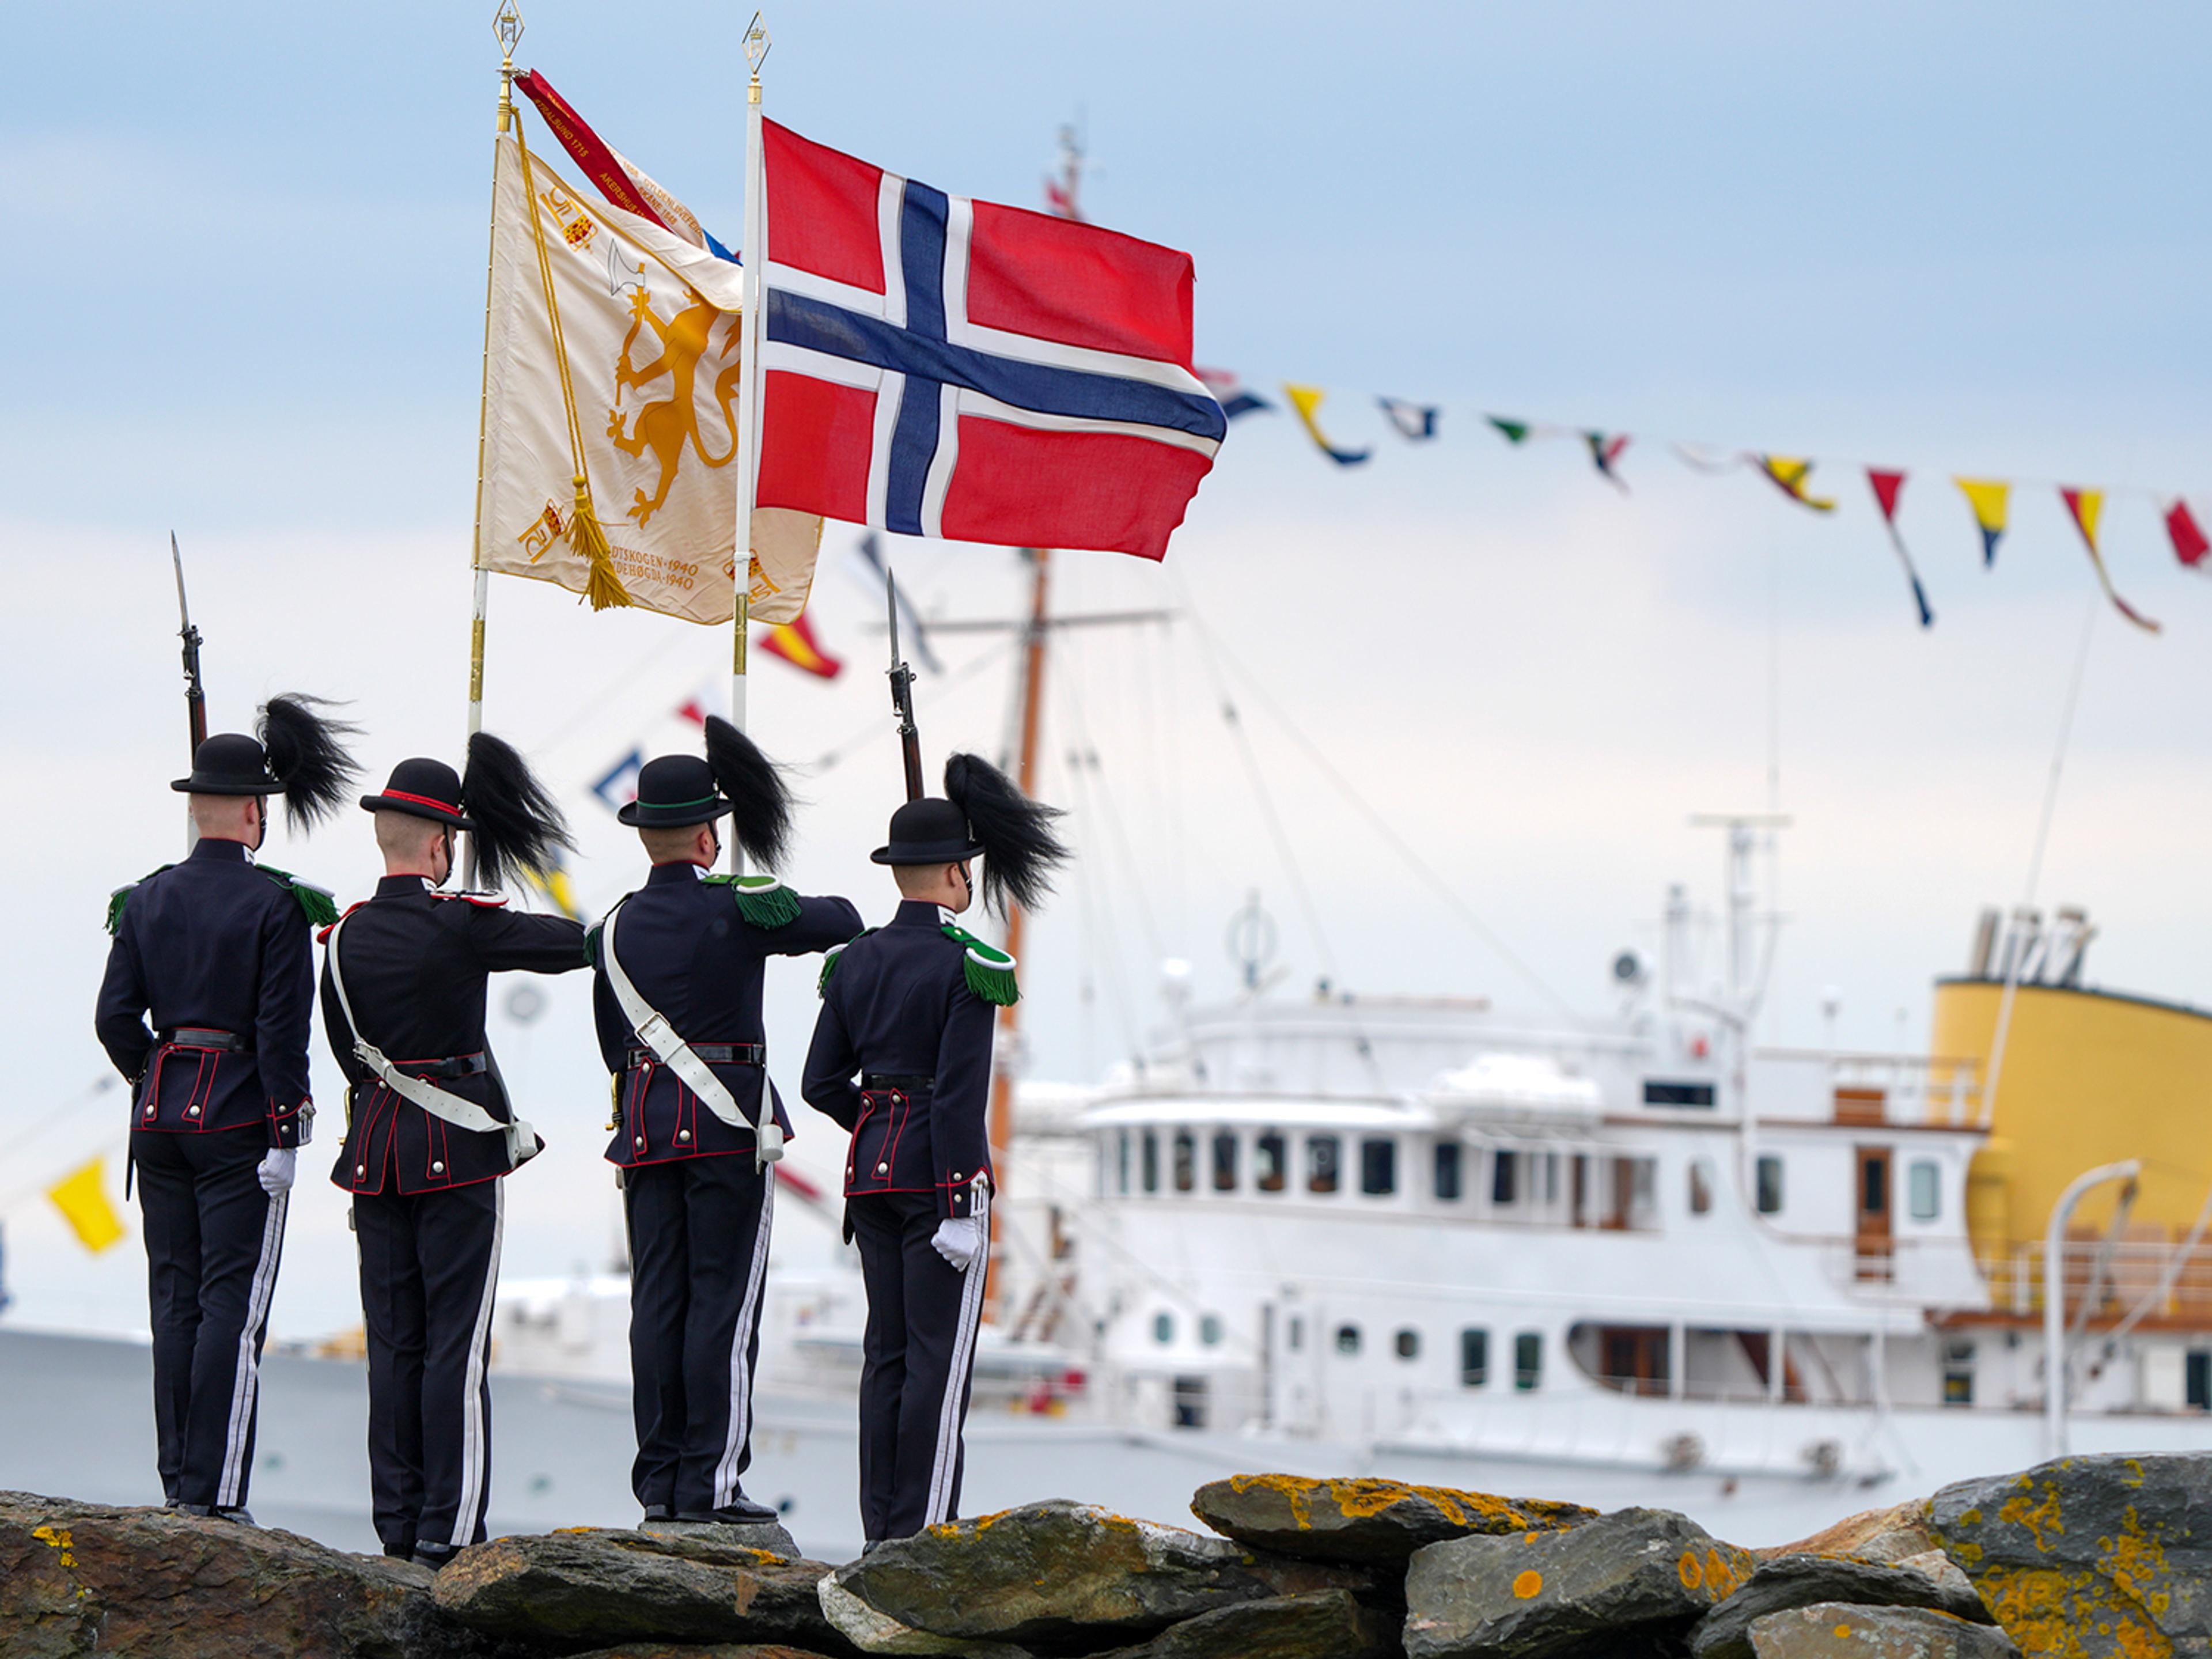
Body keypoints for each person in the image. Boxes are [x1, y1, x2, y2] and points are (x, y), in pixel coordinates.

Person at [319, 734, 586, 1567]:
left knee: (393, 1343)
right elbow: (576, 945)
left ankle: (397, 1526)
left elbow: (346, 1053)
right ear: (440, 845)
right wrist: (482, 912)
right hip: (456, 1151)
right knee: (454, 1345)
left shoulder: (343, 937)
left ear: (383, 836)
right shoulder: (462, 924)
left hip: (375, 1156)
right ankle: (452, 1524)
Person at [94, 696, 361, 1522]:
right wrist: (286, 1132)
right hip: (241, 1121)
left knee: (172, 1301)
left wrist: (158, 1076)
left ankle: (177, 1479)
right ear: (253, 813)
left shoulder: (144, 899)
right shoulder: (276, 906)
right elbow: (283, 1035)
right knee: (231, 1311)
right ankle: (216, 1494)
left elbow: (113, 1019)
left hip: (158, 1122)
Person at [590, 716, 861, 1527]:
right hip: (724, 1130)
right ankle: (709, 1484)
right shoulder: (739, 909)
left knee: (658, 1306)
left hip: (643, 1131)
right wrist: (757, 896)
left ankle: (661, 1485)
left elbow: (614, 1042)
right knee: (722, 1305)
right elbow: (842, 918)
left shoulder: (610, 927)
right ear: (709, 835)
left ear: (647, 838)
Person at [801, 753, 1066, 1547]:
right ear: (953, 872)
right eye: (968, 869)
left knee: (884, 1357)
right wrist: (957, 1202)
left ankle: (879, 1526)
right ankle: (923, 1533)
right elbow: (957, 1099)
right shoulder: (972, 965)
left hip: (870, 1178)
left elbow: (821, 1083)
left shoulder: (852, 962)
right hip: (938, 1186)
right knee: (936, 1366)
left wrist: (880, 1125)